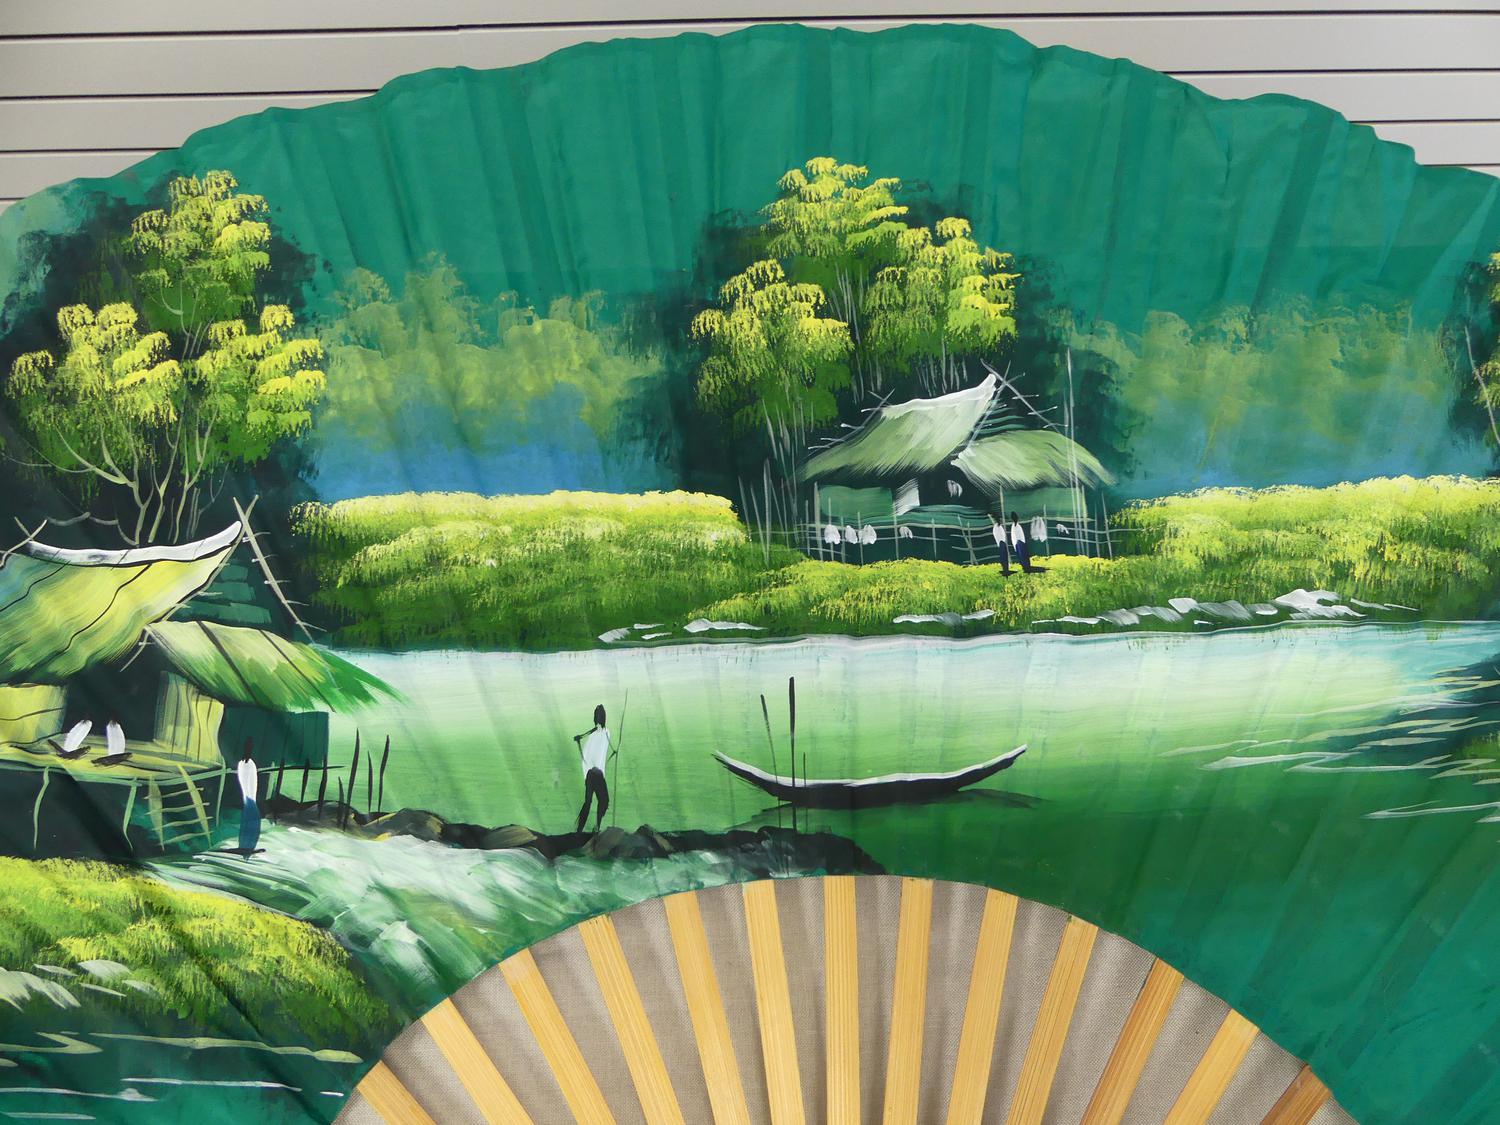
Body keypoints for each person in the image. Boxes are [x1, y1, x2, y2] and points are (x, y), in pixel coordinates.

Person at [572, 704, 614, 834]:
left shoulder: (602, 733)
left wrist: (582, 736)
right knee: (602, 801)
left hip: (591, 774)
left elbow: (586, 756)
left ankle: (581, 829)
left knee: (589, 802)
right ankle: (596, 827)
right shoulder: (602, 734)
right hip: (596, 774)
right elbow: (587, 755)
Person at [236, 738, 261, 854]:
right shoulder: (248, 764)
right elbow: (251, 783)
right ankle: (247, 846)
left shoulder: (243, 764)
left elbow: (248, 782)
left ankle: (245, 845)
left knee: (248, 822)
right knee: (251, 821)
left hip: (248, 799)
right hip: (250, 799)